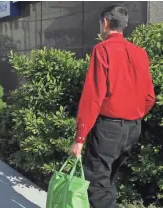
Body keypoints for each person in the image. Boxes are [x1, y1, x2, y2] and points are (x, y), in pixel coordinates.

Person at [70, 4, 156, 208]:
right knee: (107, 182)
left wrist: (80, 138)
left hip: (109, 128)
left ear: (105, 22)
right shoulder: (139, 53)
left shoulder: (102, 50)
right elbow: (149, 97)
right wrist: (132, 115)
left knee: (97, 187)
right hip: (132, 128)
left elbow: (93, 97)